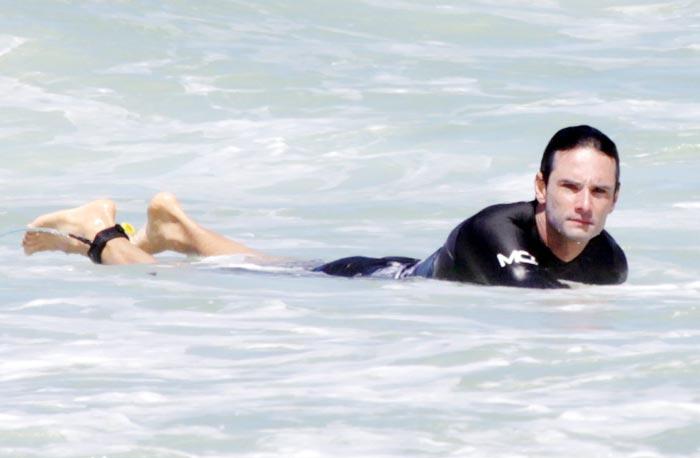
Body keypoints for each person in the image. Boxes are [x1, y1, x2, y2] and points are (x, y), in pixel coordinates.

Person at [23, 124, 627, 288]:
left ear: (615, 199)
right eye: (570, 186)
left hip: (388, 272)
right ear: (541, 186)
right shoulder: (494, 231)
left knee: (263, 266)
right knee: (156, 281)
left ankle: (178, 228)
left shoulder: (608, 260)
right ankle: (101, 230)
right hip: (375, 288)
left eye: (599, 191)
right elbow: (546, 311)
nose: (584, 204)